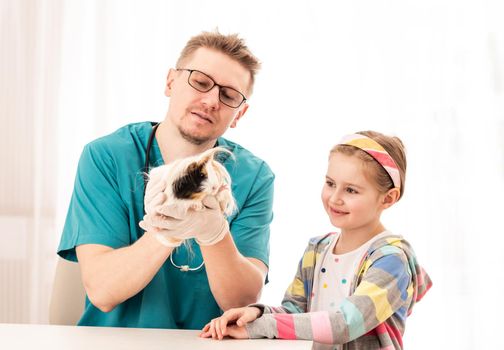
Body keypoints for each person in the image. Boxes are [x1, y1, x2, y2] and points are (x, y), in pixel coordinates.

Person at [57, 30, 274, 329]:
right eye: (200, 82)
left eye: (229, 95)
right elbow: (102, 291)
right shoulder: (107, 156)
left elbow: (241, 304)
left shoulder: (254, 176)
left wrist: (214, 233)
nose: (212, 100)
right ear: (170, 82)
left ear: (239, 113)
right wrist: (166, 231)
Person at [200, 131, 432, 349]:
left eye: (351, 190)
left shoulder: (392, 261)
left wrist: (262, 327)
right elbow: (294, 312)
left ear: (388, 198)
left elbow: (346, 324)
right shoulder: (317, 250)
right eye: (330, 183)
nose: (335, 198)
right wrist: (257, 315)